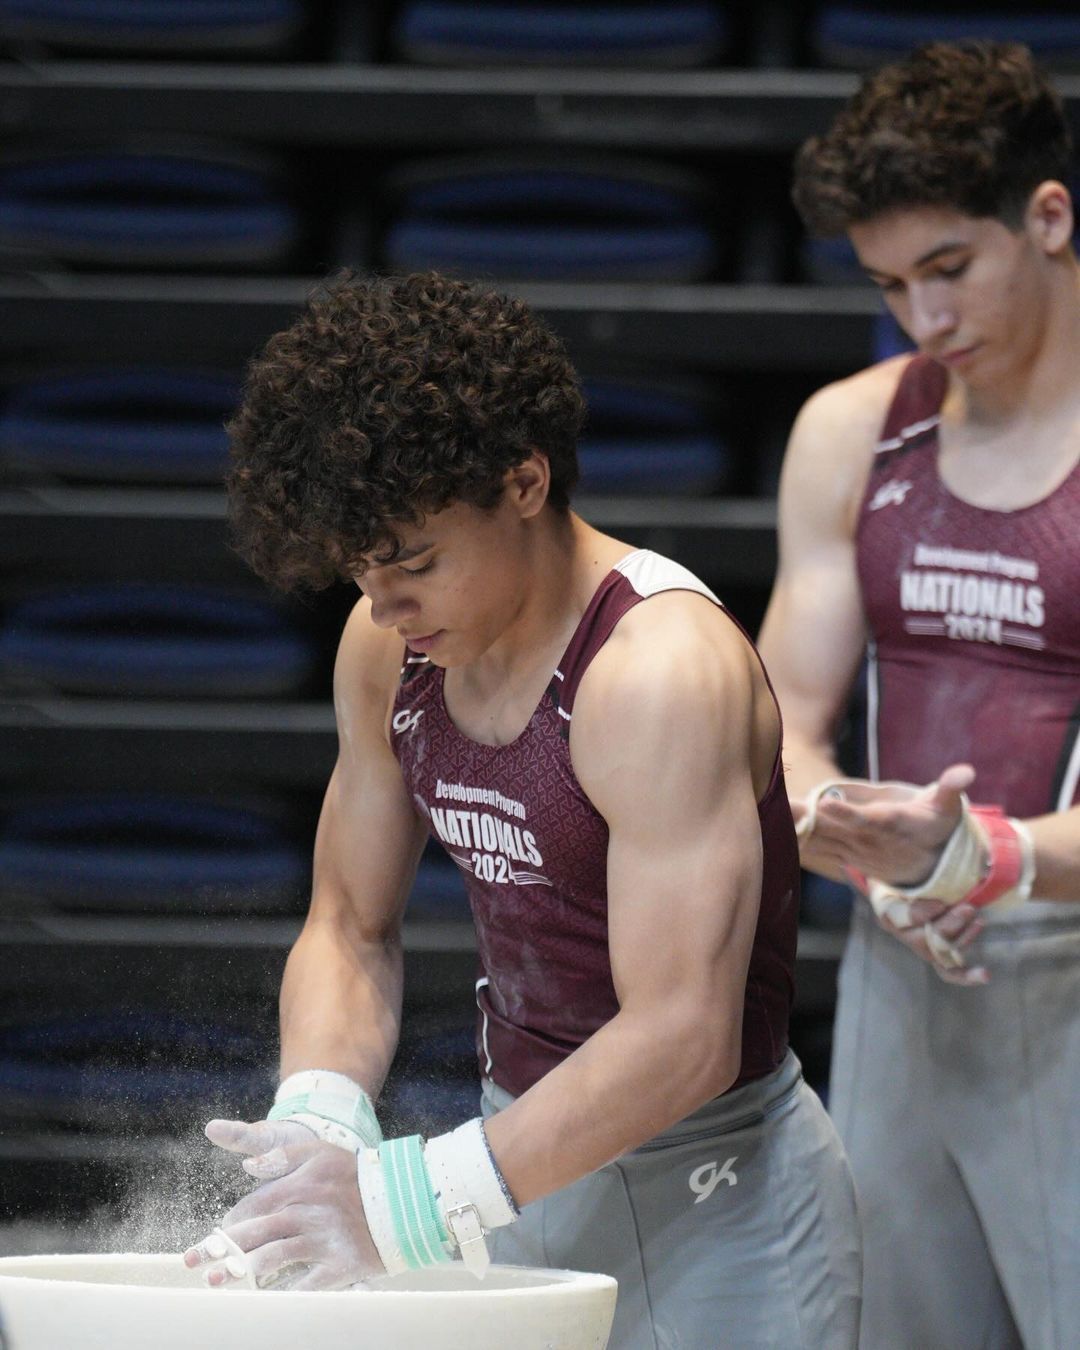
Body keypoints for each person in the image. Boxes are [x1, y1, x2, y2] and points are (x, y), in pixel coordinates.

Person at [181, 271, 861, 1346]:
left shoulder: (656, 672)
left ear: (527, 482)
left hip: (720, 1199)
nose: (382, 603)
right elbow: (349, 925)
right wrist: (320, 1106)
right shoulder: (388, 649)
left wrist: (406, 1202)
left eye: (413, 561)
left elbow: (685, 1036)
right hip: (525, 1167)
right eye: (359, 568)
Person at [758, 39, 1080, 1350]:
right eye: (891, 284)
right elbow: (775, 722)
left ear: (1049, 217)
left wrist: (981, 850)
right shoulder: (857, 428)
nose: (924, 321)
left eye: (950, 269)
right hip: (904, 959)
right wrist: (857, 837)